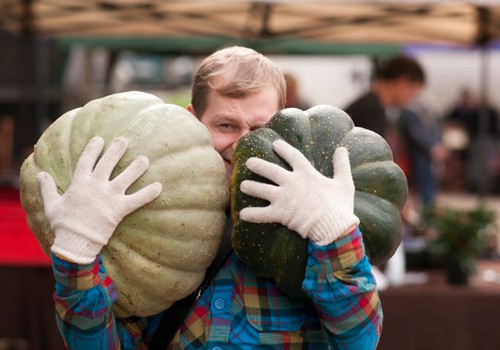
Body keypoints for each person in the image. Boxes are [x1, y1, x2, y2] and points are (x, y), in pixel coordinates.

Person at [39, 46, 382, 349]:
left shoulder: (317, 226)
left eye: (260, 130)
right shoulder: (147, 216)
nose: (244, 146)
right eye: (226, 126)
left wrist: (333, 231)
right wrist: (77, 257)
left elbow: (359, 341)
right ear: (192, 124)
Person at [344, 55, 426, 140]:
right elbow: (374, 152)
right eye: (413, 92)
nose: (411, 99)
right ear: (403, 82)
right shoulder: (373, 111)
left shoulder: (369, 104)